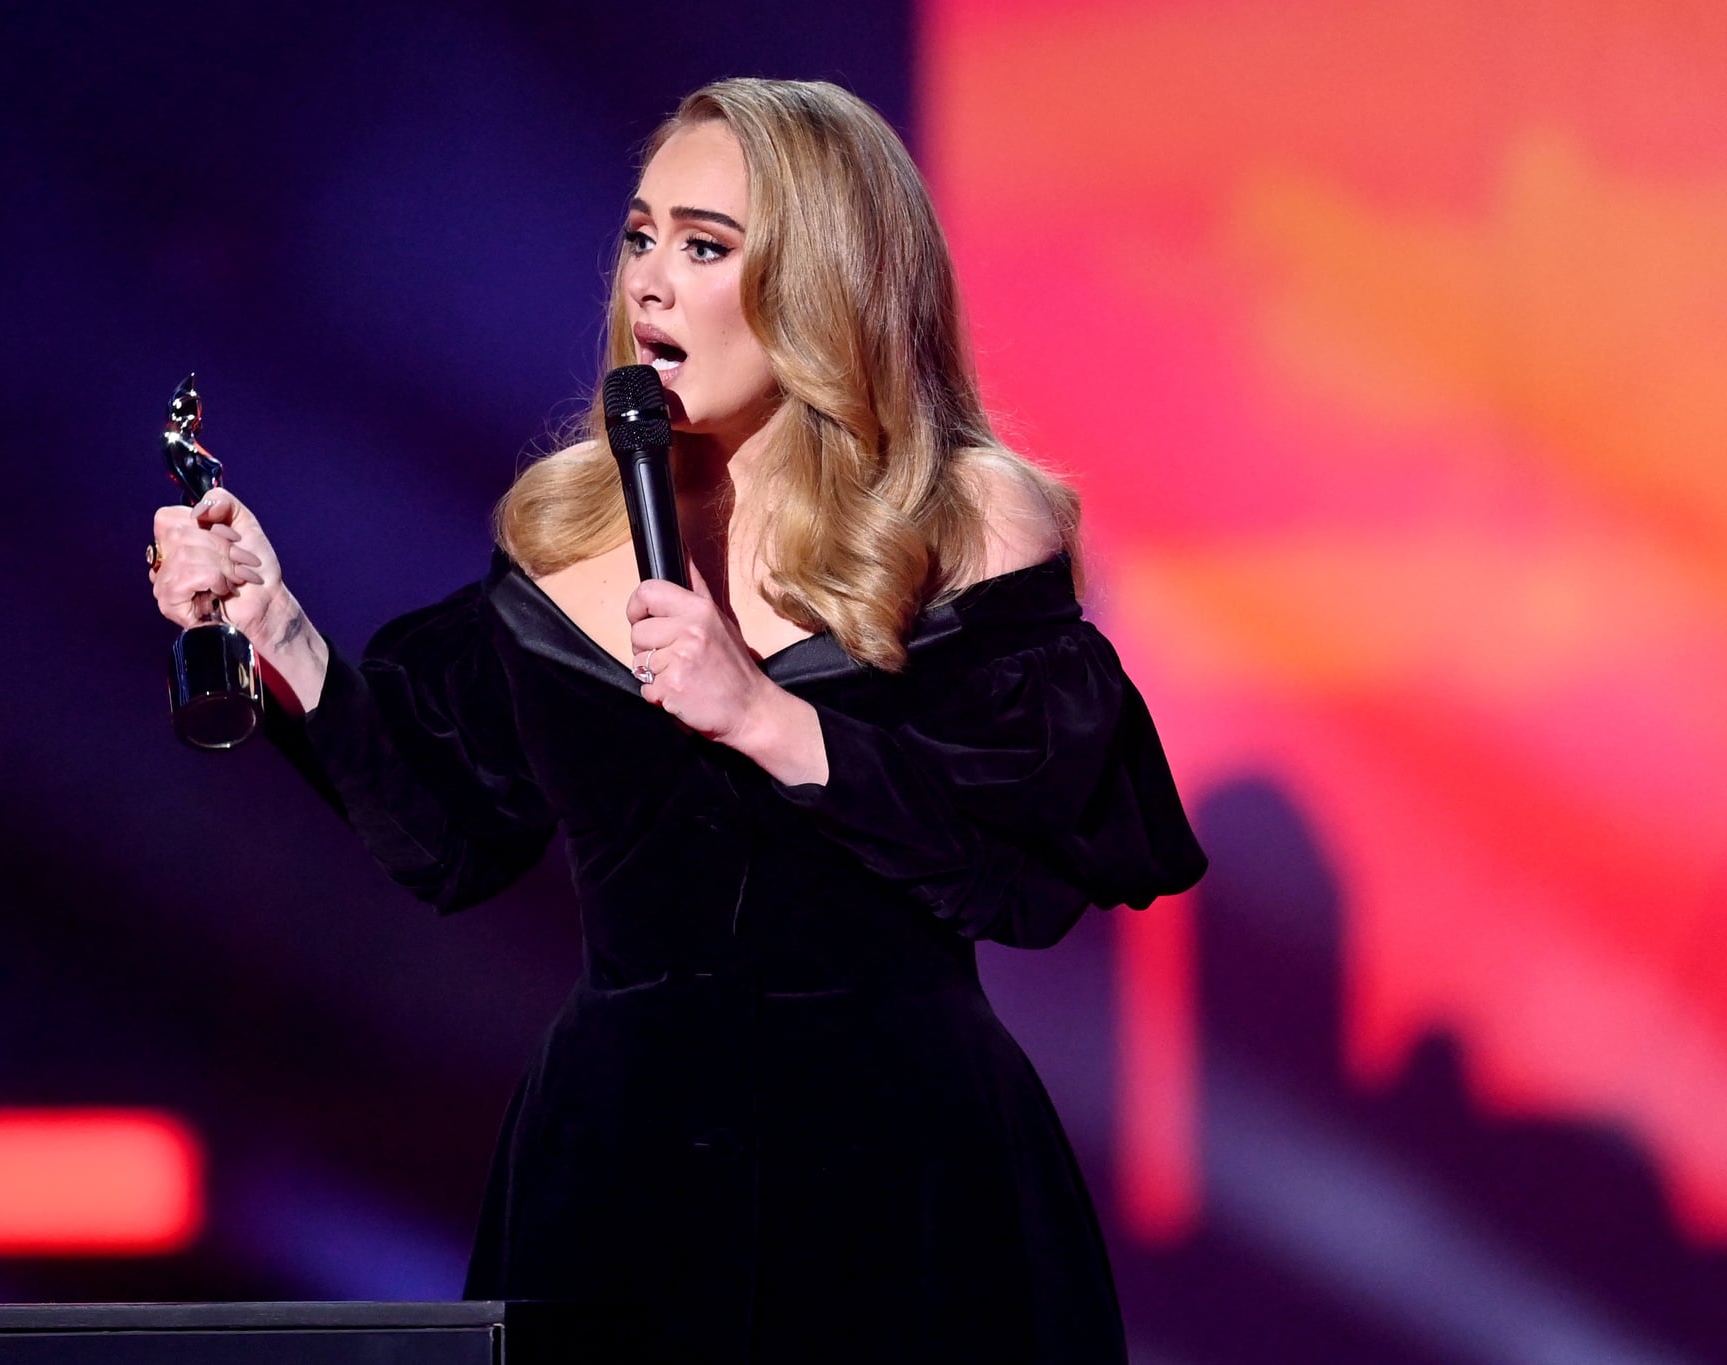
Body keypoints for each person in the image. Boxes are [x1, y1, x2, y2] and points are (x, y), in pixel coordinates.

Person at [150, 78, 1205, 1364]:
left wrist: (769, 719)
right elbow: (450, 838)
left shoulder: (964, 524)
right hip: (618, 1181)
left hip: (904, 1176)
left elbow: (1024, 875)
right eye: (642, 237)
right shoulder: (567, 540)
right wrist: (283, 632)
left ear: (824, 280)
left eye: (704, 246)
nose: (649, 280)